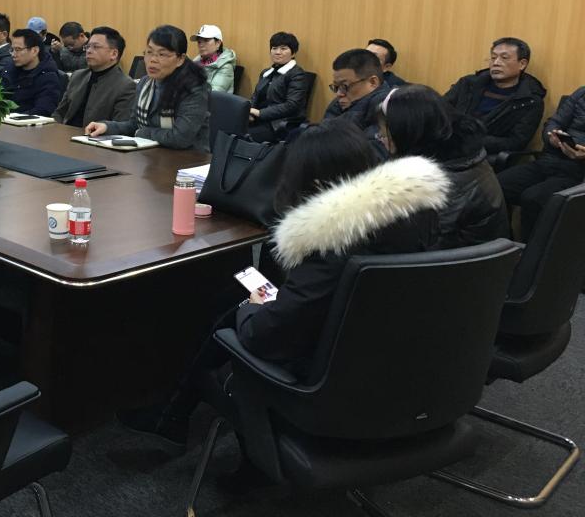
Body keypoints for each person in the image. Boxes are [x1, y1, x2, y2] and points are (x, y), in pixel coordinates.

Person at [118, 120, 446, 447]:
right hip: (392, 367)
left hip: (323, 383)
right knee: (233, 297)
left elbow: (262, 337)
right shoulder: (417, 216)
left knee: (229, 310)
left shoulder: (333, 248)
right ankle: (173, 412)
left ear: (314, 183)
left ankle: (175, 414)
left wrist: (252, 309)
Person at [377, 84, 508, 248]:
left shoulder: (437, 183)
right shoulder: (459, 153)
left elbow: (418, 245)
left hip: (455, 261)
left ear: (407, 134)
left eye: (384, 134)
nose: (381, 139)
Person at [86, 25, 210, 151]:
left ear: (180, 59)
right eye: (149, 52)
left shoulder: (193, 88)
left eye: (162, 54)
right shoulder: (145, 83)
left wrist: (142, 133)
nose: (153, 60)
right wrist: (107, 127)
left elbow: (180, 138)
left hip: (188, 158)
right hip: (151, 154)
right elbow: (134, 124)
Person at [497, 86, 585, 240]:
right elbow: (553, 122)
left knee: (533, 198)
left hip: (577, 173)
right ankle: (504, 244)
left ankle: (532, 251)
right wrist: (552, 137)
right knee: (497, 186)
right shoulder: (582, 93)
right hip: (548, 160)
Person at [443, 38, 546, 155]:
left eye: (504, 58)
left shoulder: (529, 101)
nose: (496, 63)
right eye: (493, 57)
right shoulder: (468, 84)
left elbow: (516, 142)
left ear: (522, 64)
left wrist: (472, 141)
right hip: (447, 143)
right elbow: (440, 111)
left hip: (482, 155)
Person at [53, 27, 135, 128]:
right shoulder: (78, 76)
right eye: (87, 47)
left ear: (114, 54)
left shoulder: (126, 86)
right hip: (64, 133)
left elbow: (120, 127)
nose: (88, 51)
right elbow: (59, 113)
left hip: (95, 136)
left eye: (95, 47)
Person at [247, 31, 309, 143]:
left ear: (293, 53)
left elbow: (292, 105)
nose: (277, 52)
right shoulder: (266, 72)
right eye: (274, 48)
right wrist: (249, 113)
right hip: (257, 119)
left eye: (283, 49)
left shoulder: (297, 74)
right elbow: (255, 96)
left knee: (244, 136)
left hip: (278, 124)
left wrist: (260, 113)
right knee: (228, 127)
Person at [323, 48, 389, 148]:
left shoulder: (387, 108)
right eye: (336, 87)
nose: (339, 93)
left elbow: (371, 153)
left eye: (344, 86)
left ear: (373, 82)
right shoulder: (341, 102)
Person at [0, 29, 62, 116]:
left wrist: (13, 118)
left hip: (29, 122)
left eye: (18, 49)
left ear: (35, 51)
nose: (13, 54)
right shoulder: (9, 70)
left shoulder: (48, 76)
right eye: (12, 50)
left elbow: (44, 110)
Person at [191, 24, 237, 93]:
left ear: (218, 43)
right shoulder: (195, 63)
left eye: (206, 40)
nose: (201, 45)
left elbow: (213, 94)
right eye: (199, 42)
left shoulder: (226, 67)